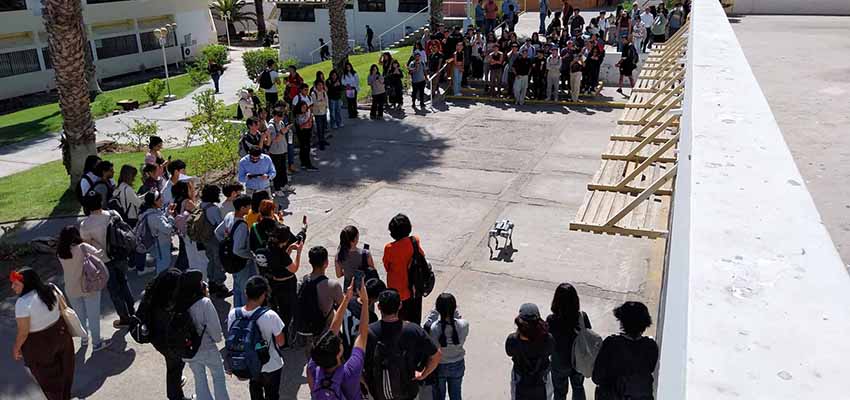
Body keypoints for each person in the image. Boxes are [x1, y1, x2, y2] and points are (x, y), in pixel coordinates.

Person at [364, 289, 442, 400]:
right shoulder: (413, 330)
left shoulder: (367, 332)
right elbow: (436, 355)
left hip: (377, 392)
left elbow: (354, 362)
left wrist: (366, 383)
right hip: (407, 391)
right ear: (400, 305)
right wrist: (423, 374)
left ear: (379, 307)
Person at [10, 267, 75, 400]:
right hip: (61, 334)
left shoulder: (22, 303)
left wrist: (16, 348)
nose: (12, 287)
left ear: (26, 283)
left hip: (39, 345)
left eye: (16, 284)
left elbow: (23, 332)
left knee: (48, 379)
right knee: (65, 369)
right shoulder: (51, 290)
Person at [306, 279, 370, 400]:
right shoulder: (350, 371)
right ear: (338, 354)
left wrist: (346, 299)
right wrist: (365, 301)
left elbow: (331, 332)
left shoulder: (313, 367)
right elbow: (362, 335)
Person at [79, 192, 136, 328]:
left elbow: (87, 246)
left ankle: (124, 317)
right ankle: (133, 310)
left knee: (114, 289)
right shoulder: (113, 213)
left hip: (103, 260)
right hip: (120, 255)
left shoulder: (85, 225)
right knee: (124, 282)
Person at [227, 276, 287, 400]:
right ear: (263, 295)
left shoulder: (234, 314)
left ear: (246, 293)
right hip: (271, 365)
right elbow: (281, 342)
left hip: (250, 363)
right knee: (272, 395)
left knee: (255, 393)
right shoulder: (270, 315)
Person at [56, 226, 112, 353]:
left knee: (79, 316)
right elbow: (100, 254)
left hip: (71, 288)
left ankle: (84, 339)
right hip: (89, 286)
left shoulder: (60, 252)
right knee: (93, 316)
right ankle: (97, 343)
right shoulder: (83, 248)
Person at [137, 268, 191, 400]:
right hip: (170, 342)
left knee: (173, 365)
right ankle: (175, 395)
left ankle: (175, 384)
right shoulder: (172, 304)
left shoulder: (152, 297)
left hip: (157, 340)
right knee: (175, 366)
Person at [179, 270, 230, 400]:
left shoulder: (178, 302)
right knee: (218, 377)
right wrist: (217, 339)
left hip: (187, 349)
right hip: (207, 348)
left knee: (199, 378)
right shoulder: (204, 303)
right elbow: (216, 332)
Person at [592, 302, 658, 400]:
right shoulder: (651, 346)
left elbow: (597, 377)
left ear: (622, 322)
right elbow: (650, 368)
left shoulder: (611, 344)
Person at [254, 223, 303, 346]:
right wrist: (298, 253)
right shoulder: (280, 254)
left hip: (271, 284)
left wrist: (289, 250)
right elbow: (293, 268)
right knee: (287, 314)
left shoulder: (266, 248)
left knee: (275, 310)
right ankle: (285, 340)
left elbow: (277, 262)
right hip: (285, 286)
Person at [547, 283, 590, 400]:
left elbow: (548, 340)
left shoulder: (551, 320)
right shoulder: (582, 317)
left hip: (559, 362)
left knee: (559, 392)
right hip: (578, 361)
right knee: (578, 387)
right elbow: (589, 335)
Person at [382, 213, 426, 324]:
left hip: (397, 292)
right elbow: (422, 256)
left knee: (398, 322)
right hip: (414, 289)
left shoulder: (390, 248)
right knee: (415, 321)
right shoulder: (414, 241)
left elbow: (387, 266)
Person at [506, 303, 555, 400]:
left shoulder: (513, 339)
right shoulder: (548, 339)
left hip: (520, 380)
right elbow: (551, 351)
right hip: (542, 380)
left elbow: (509, 352)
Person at [297, 246, 344, 346]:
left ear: (310, 262)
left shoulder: (302, 281)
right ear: (326, 263)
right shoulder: (332, 285)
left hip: (307, 333)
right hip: (326, 334)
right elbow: (343, 308)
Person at [215, 194, 254, 307]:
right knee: (244, 289)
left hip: (230, 260)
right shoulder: (242, 225)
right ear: (242, 208)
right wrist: (251, 256)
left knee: (236, 287)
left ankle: (237, 309)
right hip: (240, 262)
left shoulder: (229, 216)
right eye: (248, 206)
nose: (250, 208)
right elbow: (238, 250)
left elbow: (218, 232)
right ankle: (243, 313)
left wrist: (226, 243)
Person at [428, 293, 469, 400]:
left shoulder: (435, 328)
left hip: (440, 365)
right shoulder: (464, 325)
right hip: (457, 364)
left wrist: (435, 311)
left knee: (438, 396)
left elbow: (428, 324)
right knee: (456, 395)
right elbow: (457, 318)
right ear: (454, 307)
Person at [198, 184, 231, 298]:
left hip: (204, 238)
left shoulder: (201, 205)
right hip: (214, 238)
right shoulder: (213, 209)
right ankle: (220, 285)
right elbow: (220, 224)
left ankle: (211, 283)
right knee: (219, 261)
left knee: (211, 260)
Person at [172, 180, 209, 274]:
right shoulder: (188, 202)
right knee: (199, 259)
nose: (193, 189)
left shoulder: (177, 201)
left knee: (191, 258)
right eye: (191, 188)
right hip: (193, 233)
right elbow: (199, 214)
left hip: (184, 233)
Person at [137, 190, 176, 274]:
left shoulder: (152, 212)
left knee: (163, 262)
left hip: (159, 243)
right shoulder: (153, 216)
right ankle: (161, 283)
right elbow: (167, 229)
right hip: (161, 244)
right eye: (159, 198)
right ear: (153, 202)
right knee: (163, 265)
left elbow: (161, 220)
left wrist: (167, 212)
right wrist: (170, 217)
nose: (162, 199)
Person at [267, 110, 292, 196]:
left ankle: (284, 185)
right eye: (278, 116)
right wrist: (282, 132)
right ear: (274, 116)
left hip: (282, 149)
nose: (280, 118)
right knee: (276, 170)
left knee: (283, 168)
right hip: (275, 151)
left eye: (281, 116)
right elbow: (275, 139)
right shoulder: (271, 126)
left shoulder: (281, 123)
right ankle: (277, 188)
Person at [294, 101, 319, 171]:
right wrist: (308, 122)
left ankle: (305, 163)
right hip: (302, 134)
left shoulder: (307, 112)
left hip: (308, 132)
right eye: (303, 107)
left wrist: (309, 122)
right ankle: (307, 164)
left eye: (305, 107)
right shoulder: (298, 115)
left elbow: (310, 123)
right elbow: (301, 127)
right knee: (304, 148)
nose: (305, 109)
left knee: (306, 148)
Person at [311, 80, 330, 150]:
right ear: (316, 86)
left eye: (322, 85)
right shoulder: (313, 93)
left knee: (323, 127)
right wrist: (322, 102)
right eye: (319, 85)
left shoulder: (324, 92)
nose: (321, 86)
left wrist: (322, 102)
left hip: (324, 112)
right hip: (317, 113)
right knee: (319, 128)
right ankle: (320, 142)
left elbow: (326, 101)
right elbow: (315, 103)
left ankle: (323, 140)